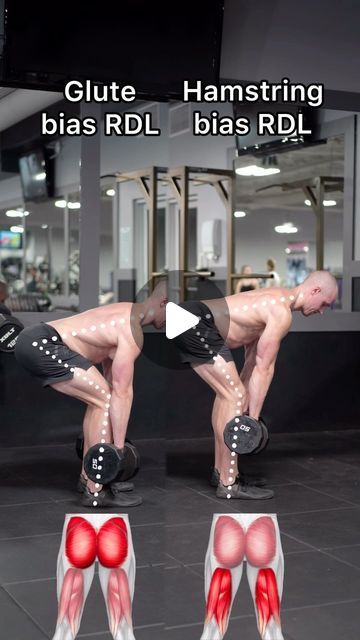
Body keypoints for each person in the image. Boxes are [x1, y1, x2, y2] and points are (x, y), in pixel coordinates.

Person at [173, 271, 338, 500]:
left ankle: (222, 472)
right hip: (196, 321)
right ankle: (228, 483)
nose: (321, 311)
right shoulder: (280, 312)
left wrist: (245, 409)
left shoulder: (272, 299)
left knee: (229, 395)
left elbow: (251, 363)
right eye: (324, 304)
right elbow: (265, 367)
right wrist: (252, 420)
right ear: (315, 291)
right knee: (234, 395)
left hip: (190, 318)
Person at [14, 280, 168, 508]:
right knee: (105, 400)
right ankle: (95, 489)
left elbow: (111, 379)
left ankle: (88, 477)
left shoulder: (124, 311)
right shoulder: (132, 329)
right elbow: (123, 393)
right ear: (164, 302)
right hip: (44, 343)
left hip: (36, 340)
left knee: (99, 400)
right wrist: (118, 449)